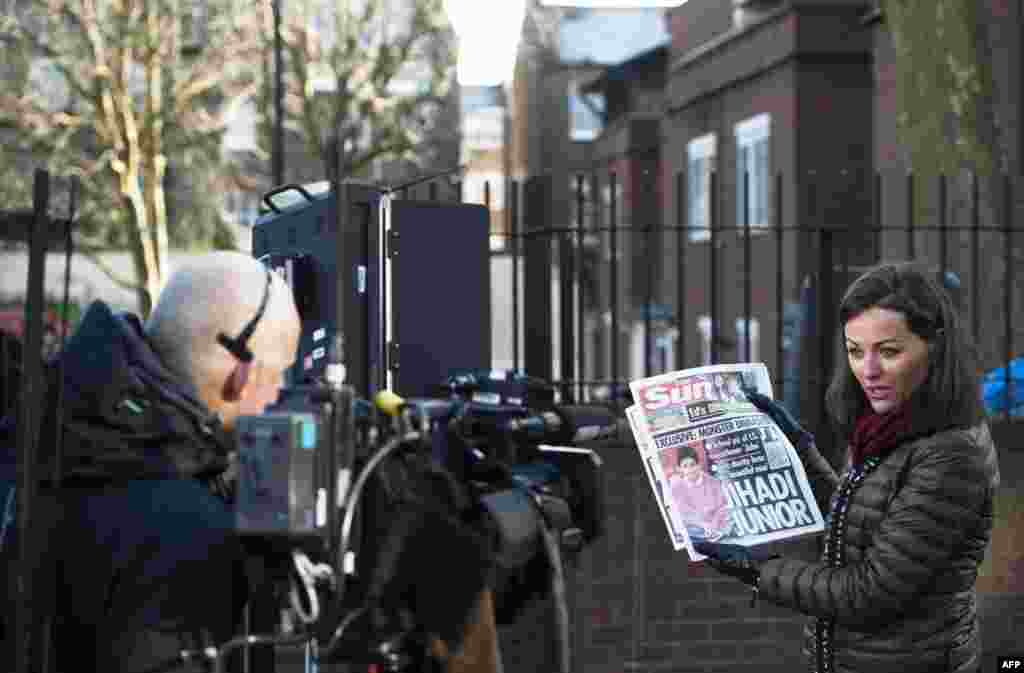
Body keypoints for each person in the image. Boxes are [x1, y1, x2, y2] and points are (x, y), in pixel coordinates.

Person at [0, 251, 301, 671]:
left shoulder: (36, 428)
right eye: (282, 373)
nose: (284, 396)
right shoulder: (192, 532)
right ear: (243, 376)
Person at [695, 261, 999, 673]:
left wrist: (758, 572)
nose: (868, 372)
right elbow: (855, 520)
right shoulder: (887, 423)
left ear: (936, 346)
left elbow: (870, 591)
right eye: (856, 351)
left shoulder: (951, 455)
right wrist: (797, 449)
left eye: (888, 351)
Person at [669, 444, 732, 543]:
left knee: (730, 520)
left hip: (716, 526)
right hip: (696, 528)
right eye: (685, 466)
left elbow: (723, 507)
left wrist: (713, 526)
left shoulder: (713, 483)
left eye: (692, 464)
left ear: (699, 465)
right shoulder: (676, 487)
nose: (690, 469)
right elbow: (683, 513)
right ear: (679, 469)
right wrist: (703, 525)